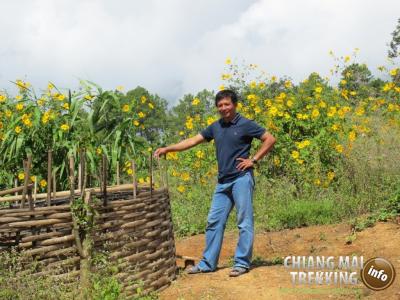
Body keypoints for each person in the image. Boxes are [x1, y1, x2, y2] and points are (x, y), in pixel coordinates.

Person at [153, 89, 276, 277]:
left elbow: (270, 138)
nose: (223, 108)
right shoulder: (215, 127)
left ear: (235, 105)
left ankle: (242, 263)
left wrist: (254, 160)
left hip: (241, 179)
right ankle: (208, 263)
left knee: (244, 221)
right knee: (214, 221)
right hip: (222, 182)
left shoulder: (245, 124)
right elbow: (193, 140)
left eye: (227, 104)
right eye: (220, 105)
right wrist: (168, 149)